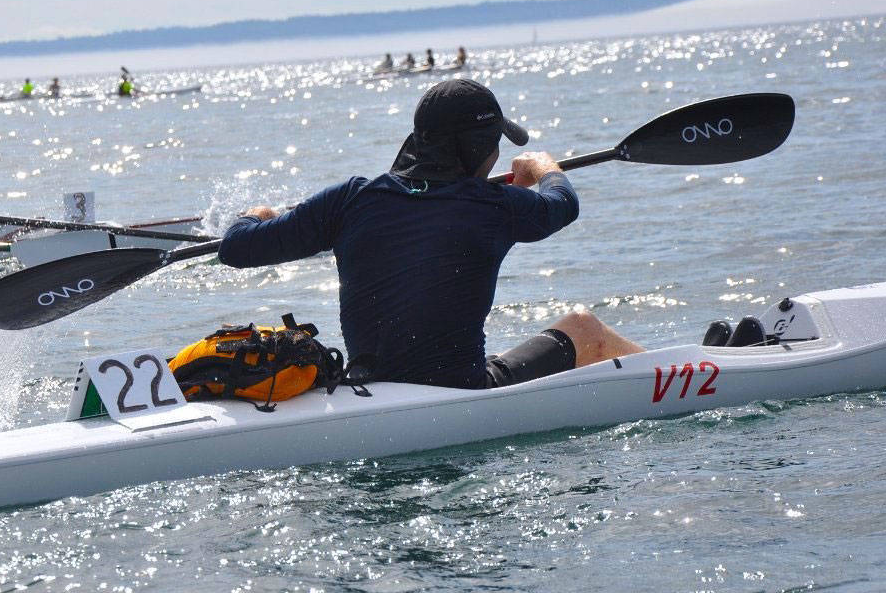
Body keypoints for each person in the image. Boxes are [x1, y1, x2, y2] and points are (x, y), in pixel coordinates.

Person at [218, 78, 643, 391]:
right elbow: (562, 205)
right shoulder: (495, 209)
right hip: (463, 391)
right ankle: (699, 376)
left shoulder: (350, 200)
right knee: (584, 327)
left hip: (368, 388)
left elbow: (236, 247)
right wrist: (546, 169)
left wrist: (256, 215)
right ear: (480, 149)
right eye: (495, 141)